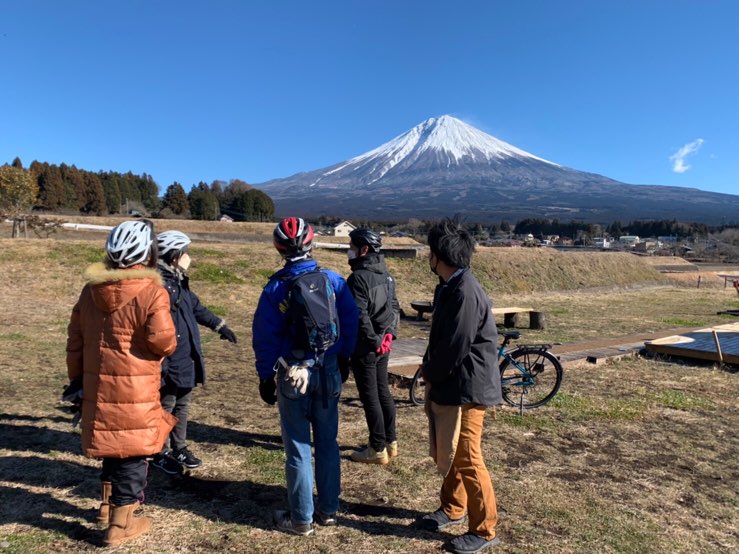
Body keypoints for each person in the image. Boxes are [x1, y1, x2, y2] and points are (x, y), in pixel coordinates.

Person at [66, 220, 177, 547]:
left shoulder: (90, 291)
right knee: (133, 452)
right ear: (147, 253)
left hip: (97, 385)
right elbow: (163, 342)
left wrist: (76, 380)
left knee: (111, 444)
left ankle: (105, 508)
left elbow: (75, 342)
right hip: (136, 387)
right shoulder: (152, 292)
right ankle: (120, 524)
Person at [252, 217, 358, 536]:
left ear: (279, 249)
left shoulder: (275, 288)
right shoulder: (333, 280)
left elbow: (265, 337)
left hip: (292, 374)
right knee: (327, 442)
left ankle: (301, 519)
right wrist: (344, 358)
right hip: (328, 369)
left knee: (298, 448)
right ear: (311, 244)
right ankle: (329, 510)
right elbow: (350, 322)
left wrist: (265, 376)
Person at [416, 217, 502, 554]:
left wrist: (430, 372)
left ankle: (484, 529)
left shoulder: (464, 292)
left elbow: (455, 345)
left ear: (440, 255)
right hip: (456, 384)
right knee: (451, 450)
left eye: (430, 251)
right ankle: (453, 507)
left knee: (467, 456)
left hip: (468, 387)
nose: (428, 257)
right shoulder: (450, 286)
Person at [152, 230, 238, 475]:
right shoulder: (159, 286)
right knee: (166, 404)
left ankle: (179, 447)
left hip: (187, 355)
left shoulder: (178, 281)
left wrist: (219, 326)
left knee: (183, 403)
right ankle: (159, 451)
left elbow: (196, 308)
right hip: (170, 357)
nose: (188, 256)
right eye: (185, 252)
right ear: (174, 255)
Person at [346, 228, 400, 464]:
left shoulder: (358, 278)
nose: (349, 251)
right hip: (382, 344)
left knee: (370, 397)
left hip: (365, 347)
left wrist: (374, 340)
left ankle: (377, 448)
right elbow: (394, 309)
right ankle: (391, 441)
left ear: (364, 249)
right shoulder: (387, 276)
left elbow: (359, 316)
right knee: (383, 391)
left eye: (352, 246)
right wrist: (388, 336)